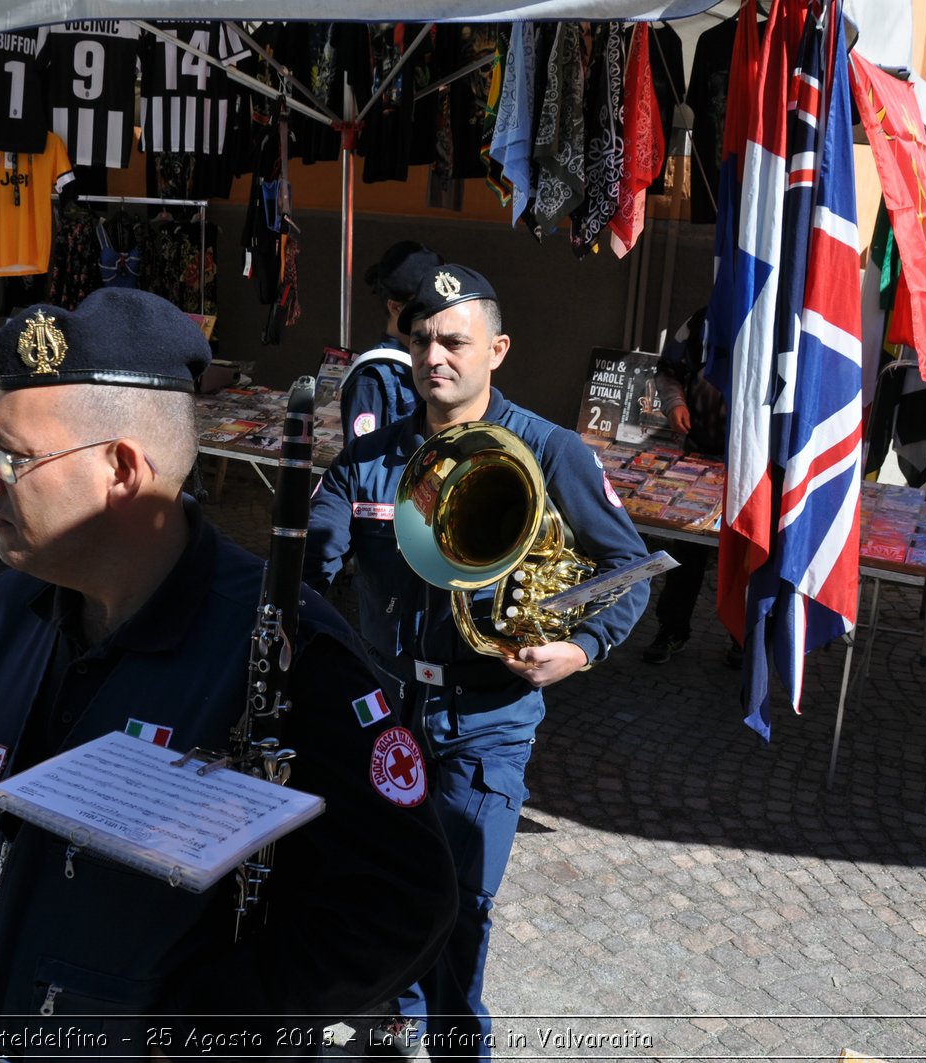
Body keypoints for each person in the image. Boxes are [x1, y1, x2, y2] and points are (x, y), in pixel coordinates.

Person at [0, 288, 457, 1060]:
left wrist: (211, 1022)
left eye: (9, 456)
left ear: (122, 468)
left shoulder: (291, 652)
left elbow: (401, 904)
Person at [305, 265, 650, 1060]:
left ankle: (462, 1045)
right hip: (388, 713)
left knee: (465, 903)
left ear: (496, 348)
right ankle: (403, 1012)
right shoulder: (370, 460)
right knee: (390, 877)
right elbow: (306, 580)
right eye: (421, 339)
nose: (434, 357)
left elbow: (628, 569)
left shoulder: (550, 449)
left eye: (454, 341)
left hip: (488, 718)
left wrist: (581, 647)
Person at [641, 307, 740, 668]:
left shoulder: (782, 321)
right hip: (699, 456)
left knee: (746, 556)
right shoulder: (703, 320)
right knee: (686, 552)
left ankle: (744, 639)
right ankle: (672, 629)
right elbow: (668, 370)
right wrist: (675, 403)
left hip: (754, 467)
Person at [338, 241, 444, 441]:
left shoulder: (434, 363)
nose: (436, 313)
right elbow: (363, 465)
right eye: (424, 305)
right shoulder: (371, 380)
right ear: (395, 307)